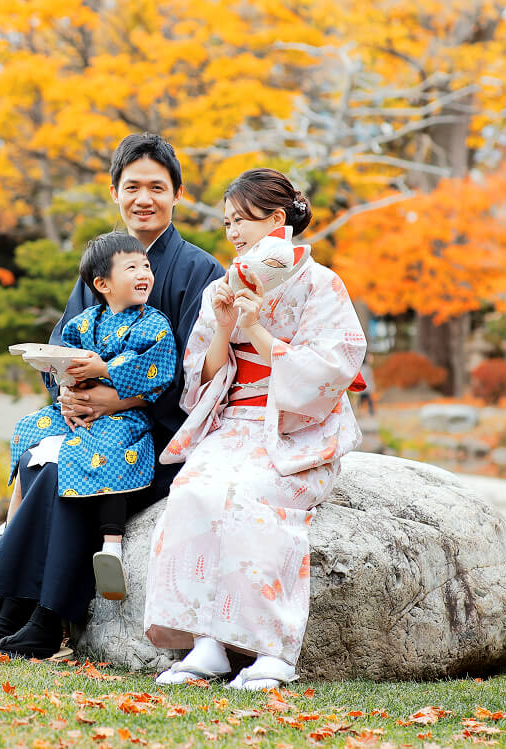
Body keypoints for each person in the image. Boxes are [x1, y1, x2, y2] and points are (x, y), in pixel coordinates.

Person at [0, 133, 224, 659]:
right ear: (114, 192)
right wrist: (73, 396)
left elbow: (195, 372)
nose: (143, 198)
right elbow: (63, 344)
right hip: (93, 423)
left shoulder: (199, 272)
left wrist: (115, 402)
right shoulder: (104, 262)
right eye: (132, 187)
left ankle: (49, 617)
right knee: (39, 456)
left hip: (155, 435)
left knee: (70, 468)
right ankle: (9, 610)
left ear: (178, 195)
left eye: (156, 187)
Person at [142, 168, 366, 691]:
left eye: (243, 220)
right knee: (193, 491)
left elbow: (330, 373)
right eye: (227, 223)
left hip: (298, 433)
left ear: (278, 220)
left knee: (253, 498)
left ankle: (272, 652)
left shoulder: (321, 283)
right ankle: (207, 645)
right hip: (236, 424)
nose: (234, 233)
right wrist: (224, 326)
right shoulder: (223, 285)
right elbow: (203, 376)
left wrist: (255, 329)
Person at [6, 232, 177, 602]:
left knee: (111, 446)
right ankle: (11, 521)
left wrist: (104, 366)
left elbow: (157, 371)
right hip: (79, 409)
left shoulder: (154, 324)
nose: (144, 272)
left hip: (123, 415)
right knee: (28, 429)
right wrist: (68, 393)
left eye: (146, 265)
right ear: (102, 284)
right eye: (131, 266)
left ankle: (111, 545)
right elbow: (62, 363)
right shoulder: (83, 323)